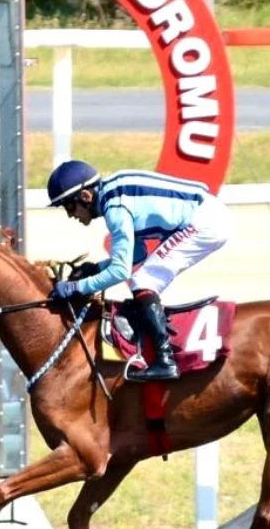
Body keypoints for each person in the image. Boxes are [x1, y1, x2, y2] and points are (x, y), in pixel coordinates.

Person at [46, 159, 232, 382]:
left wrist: (77, 287)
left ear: (86, 196)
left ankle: (165, 360)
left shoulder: (115, 208)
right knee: (143, 276)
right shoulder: (114, 195)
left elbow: (120, 272)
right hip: (208, 214)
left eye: (68, 206)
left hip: (206, 223)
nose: (70, 215)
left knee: (144, 280)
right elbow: (137, 255)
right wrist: (94, 269)